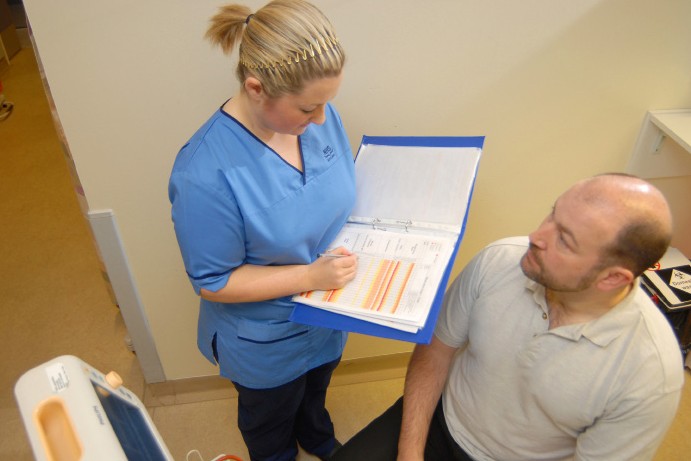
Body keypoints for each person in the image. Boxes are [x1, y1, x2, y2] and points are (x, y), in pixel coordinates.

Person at [331, 173, 684, 461]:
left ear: (612, 278)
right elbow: (436, 351)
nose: (535, 237)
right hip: (439, 419)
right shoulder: (499, 260)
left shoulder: (650, 373)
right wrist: (410, 453)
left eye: (564, 240)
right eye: (552, 214)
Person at [168, 2, 357, 460]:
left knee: (315, 395)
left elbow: (336, 191)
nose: (321, 120)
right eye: (308, 107)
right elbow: (214, 282)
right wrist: (309, 278)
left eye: (326, 104)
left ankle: (317, 436)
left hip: (327, 316)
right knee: (271, 423)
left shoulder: (320, 116)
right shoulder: (204, 174)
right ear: (256, 89)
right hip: (265, 342)